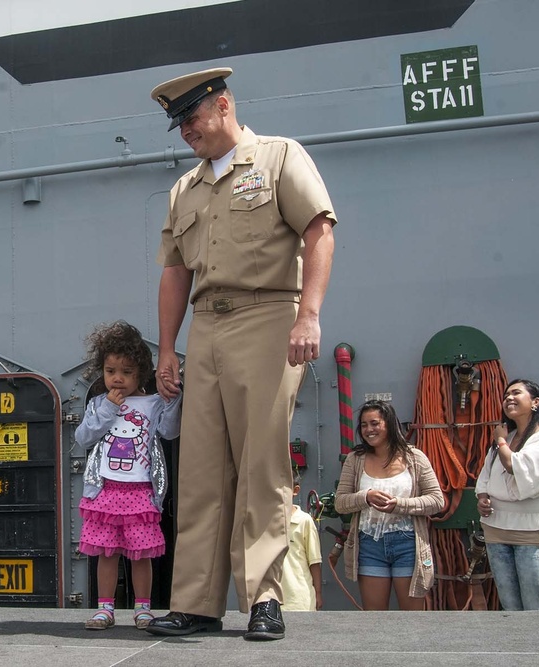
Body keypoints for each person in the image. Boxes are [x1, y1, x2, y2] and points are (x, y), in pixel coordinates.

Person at [145, 67, 336, 641]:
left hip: (269, 314)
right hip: (206, 326)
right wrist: (168, 350)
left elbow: (319, 229)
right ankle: (197, 602)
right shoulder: (186, 189)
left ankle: (264, 599)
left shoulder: (279, 158)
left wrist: (309, 314)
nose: (185, 132)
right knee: (201, 469)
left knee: (261, 464)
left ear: (223, 105)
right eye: (178, 124)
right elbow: (175, 271)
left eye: (192, 118)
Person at [75, 321, 182, 630]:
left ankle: (143, 608)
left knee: (141, 554)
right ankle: (105, 608)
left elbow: (169, 432)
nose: (117, 379)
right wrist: (107, 409)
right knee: (106, 554)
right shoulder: (98, 403)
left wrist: (173, 400)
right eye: (110, 371)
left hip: (140, 491)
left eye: (126, 372)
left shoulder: (153, 403)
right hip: (104, 490)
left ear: (141, 373)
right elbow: (83, 437)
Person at [334, 400, 444, 610]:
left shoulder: (414, 457)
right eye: (364, 425)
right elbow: (340, 503)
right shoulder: (355, 459)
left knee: (412, 619)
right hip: (369, 543)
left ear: (389, 424)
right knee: (375, 618)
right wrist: (365, 497)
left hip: (408, 543)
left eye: (374, 423)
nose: (368, 429)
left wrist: (399, 505)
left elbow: (436, 500)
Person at [476, 379, 539, 611]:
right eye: (506, 395)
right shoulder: (508, 438)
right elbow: (486, 475)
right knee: (510, 605)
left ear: (535, 402)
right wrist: (483, 497)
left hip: (530, 533)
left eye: (516, 393)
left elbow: (515, 466)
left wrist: (500, 440)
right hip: (496, 530)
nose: (509, 398)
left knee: (534, 606)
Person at [281, 471, 323, 611]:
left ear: (295, 490)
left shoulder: (304, 521)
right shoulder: (263, 522)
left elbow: (314, 561)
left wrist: (318, 593)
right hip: (271, 600)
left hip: (299, 599)